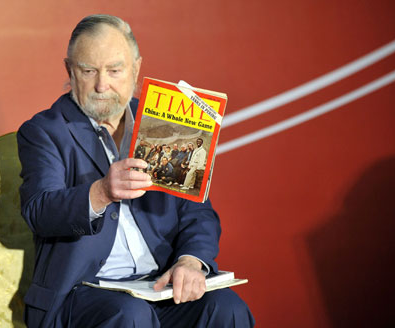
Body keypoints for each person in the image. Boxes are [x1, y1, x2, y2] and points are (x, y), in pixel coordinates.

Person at [17, 14, 254, 328]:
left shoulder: (166, 123)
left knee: (226, 307)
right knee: (130, 315)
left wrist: (190, 261)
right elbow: (39, 210)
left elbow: (198, 212)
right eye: (88, 71)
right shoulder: (44, 131)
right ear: (70, 71)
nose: (102, 84)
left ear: (136, 68)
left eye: (115, 70)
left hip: (156, 286)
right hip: (83, 294)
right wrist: (100, 193)